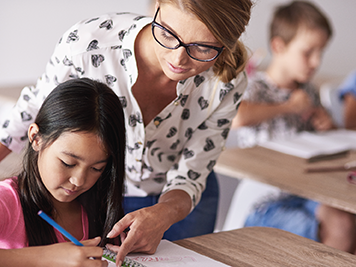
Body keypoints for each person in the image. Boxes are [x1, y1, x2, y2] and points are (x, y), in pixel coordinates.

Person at [0, 0, 252, 264]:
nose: (178, 59)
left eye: (202, 47)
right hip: (105, 195)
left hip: (181, 200)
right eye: (167, 33)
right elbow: (30, 113)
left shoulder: (226, 81)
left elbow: (194, 171)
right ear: (155, 7)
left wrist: (164, 212)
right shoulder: (88, 44)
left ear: (227, 43)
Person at [230, 1, 356, 253]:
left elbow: (321, 145)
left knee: (345, 220)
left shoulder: (308, 90)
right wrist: (289, 107)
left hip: (307, 192)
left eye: (321, 52)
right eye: (308, 52)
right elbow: (237, 118)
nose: (316, 62)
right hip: (265, 200)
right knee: (331, 226)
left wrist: (328, 126)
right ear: (279, 46)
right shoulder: (256, 86)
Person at [0, 78, 126, 266]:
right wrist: (45, 257)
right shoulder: (7, 200)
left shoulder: (100, 204)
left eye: (96, 168)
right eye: (68, 163)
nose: (78, 180)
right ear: (36, 138)